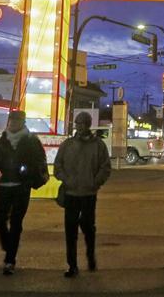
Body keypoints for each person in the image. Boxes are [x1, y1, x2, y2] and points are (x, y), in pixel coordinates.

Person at [0, 110, 48, 275]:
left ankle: (10, 260)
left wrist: (35, 178)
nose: (13, 124)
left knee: (16, 222)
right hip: (5, 185)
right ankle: (9, 245)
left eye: (16, 121)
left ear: (22, 122)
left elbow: (40, 161)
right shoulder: (2, 141)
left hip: (22, 186)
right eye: (11, 121)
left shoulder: (31, 141)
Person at [54, 111, 111, 278]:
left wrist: (95, 182)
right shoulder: (67, 145)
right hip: (71, 193)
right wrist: (66, 179)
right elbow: (58, 166)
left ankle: (90, 256)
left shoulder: (98, 145)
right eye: (77, 124)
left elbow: (105, 167)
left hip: (88, 193)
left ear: (88, 125)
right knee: (70, 230)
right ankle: (72, 265)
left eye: (83, 124)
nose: (79, 127)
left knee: (88, 227)